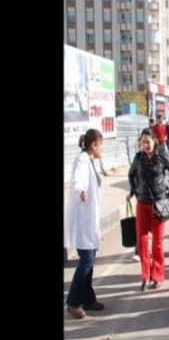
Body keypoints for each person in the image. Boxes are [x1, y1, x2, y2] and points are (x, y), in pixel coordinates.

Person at [127, 128, 169, 290]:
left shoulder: (161, 156)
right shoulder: (138, 159)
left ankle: (157, 275)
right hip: (142, 204)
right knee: (142, 242)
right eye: (143, 142)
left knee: (157, 243)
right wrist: (135, 191)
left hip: (158, 204)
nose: (145, 145)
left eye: (148, 141)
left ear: (155, 141)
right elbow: (131, 175)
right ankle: (145, 275)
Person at [64, 129, 106, 319]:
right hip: (83, 221)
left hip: (89, 222)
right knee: (87, 261)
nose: (103, 149)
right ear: (93, 145)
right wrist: (81, 191)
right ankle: (73, 302)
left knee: (90, 258)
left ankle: (88, 299)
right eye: (101, 145)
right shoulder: (82, 160)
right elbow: (78, 180)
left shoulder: (89, 160)